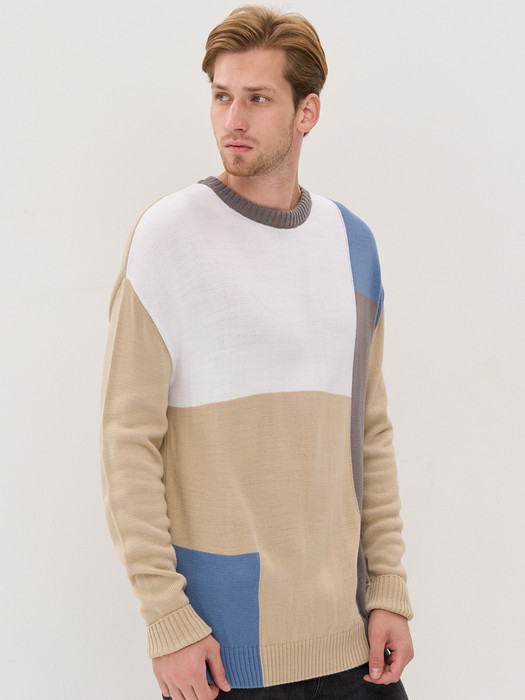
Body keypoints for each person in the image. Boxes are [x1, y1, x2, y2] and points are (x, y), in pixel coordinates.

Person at [100, 6, 414, 699]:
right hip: (223, 651)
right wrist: (167, 619)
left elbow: (369, 434)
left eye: (257, 99)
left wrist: (388, 587)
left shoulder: (352, 244)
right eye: (221, 96)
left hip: (352, 641)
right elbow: (127, 440)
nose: (232, 119)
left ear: (307, 112)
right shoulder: (167, 238)